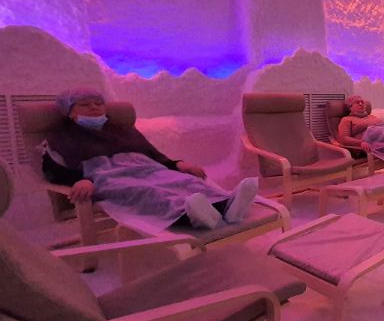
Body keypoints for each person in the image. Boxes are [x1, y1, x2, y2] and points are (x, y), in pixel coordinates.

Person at [42, 87, 257, 232]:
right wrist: (79, 180)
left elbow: (153, 155)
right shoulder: (62, 137)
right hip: (110, 177)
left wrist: (177, 164)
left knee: (184, 181)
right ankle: (191, 216)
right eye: (84, 104)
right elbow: (52, 169)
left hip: (149, 169)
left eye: (98, 103)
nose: (94, 107)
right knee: (150, 192)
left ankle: (227, 206)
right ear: (69, 112)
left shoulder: (123, 131)